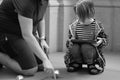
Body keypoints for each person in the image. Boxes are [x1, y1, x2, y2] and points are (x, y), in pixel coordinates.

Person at [0, 0, 54, 76]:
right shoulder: (25, 2)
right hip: (9, 33)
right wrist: (45, 59)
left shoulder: (44, 1)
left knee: (41, 65)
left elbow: (41, 18)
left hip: (25, 33)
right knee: (30, 69)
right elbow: (27, 35)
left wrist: (42, 39)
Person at [64, 0, 108, 75]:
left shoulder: (96, 25)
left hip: (91, 51)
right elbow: (70, 38)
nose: (77, 16)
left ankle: (91, 64)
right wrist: (70, 42)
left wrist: (99, 42)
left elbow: (104, 38)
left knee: (86, 47)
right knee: (74, 47)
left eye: (80, 15)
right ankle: (77, 62)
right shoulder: (74, 25)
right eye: (77, 14)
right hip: (78, 49)